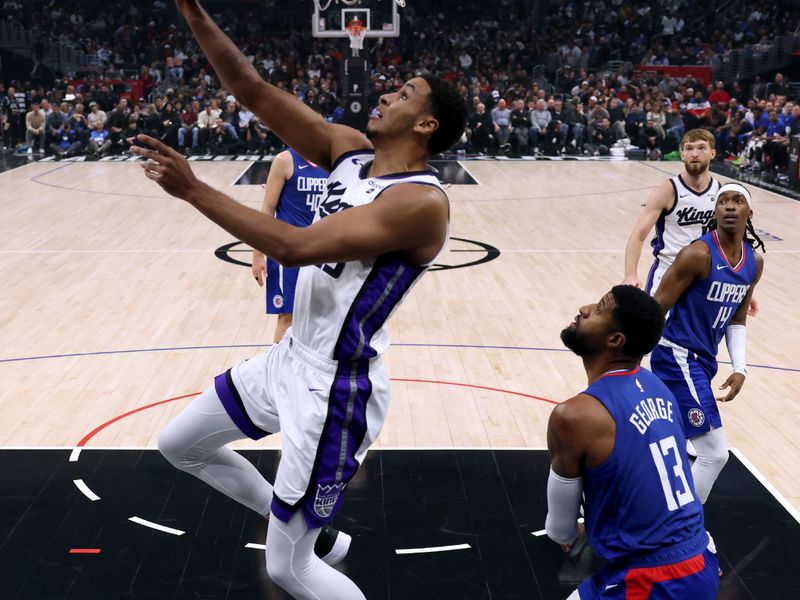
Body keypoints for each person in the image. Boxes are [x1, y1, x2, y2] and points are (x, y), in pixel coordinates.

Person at [131, 1, 467, 598]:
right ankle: (314, 529)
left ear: (426, 126)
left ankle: (307, 536)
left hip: (335, 388)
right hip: (291, 359)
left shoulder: (421, 203)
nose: (388, 94)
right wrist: (194, 13)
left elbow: (294, 246)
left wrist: (192, 190)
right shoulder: (350, 151)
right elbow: (251, 88)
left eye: (406, 94)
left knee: (288, 569)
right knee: (180, 444)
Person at [546, 285, 719, 600]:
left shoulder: (572, 417)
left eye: (599, 309)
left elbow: (561, 531)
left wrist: (586, 529)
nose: (584, 309)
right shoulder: (658, 386)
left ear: (615, 340)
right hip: (697, 555)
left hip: (652, 581)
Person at [650, 183, 764, 505]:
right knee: (715, 454)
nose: (729, 206)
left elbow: (738, 318)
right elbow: (657, 306)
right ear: (715, 212)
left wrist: (740, 367)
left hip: (703, 361)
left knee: (664, 443)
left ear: (749, 213)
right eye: (723, 201)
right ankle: (682, 527)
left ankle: (640, 505)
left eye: (737, 201)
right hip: (677, 356)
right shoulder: (698, 254)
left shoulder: (754, 262)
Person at [623, 130, 720, 294]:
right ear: (682, 154)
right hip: (668, 274)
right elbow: (638, 235)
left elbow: (730, 242)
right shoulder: (667, 191)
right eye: (689, 148)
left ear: (712, 153)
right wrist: (630, 275)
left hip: (705, 277)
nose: (694, 154)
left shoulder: (720, 192)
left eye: (701, 148)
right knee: (656, 320)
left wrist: (744, 288)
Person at [251, 148, 328, 343]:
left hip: (324, 251)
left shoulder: (333, 162)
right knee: (287, 318)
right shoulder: (285, 160)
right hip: (289, 252)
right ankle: (278, 372)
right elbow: (267, 209)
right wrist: (257, 255)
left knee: (325, 319)